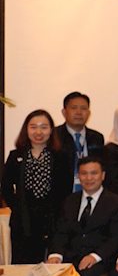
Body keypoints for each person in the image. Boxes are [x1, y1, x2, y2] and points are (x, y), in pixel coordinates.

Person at [2, 109, 72, 263]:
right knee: (23, 268)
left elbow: (66, 189)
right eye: (33, 127)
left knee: (50, 268)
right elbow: (5, 187)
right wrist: (18, 206)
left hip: (52, 220)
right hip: (23, 220)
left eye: (44, 127)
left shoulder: (61, 157)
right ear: (26, 129)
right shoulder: (16, 156)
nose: (38, 132)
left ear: (51, 130)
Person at [55, 91, 104, 192]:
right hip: (61, 195)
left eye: (83, 108)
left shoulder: (97, 137)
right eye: (74, 108)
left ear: (89, 113)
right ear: (64, 112)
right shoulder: (54, 136)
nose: (79, 112)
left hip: (90, 193)